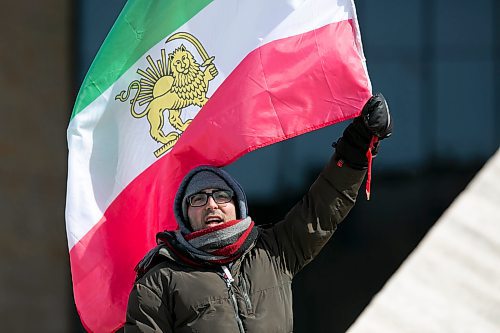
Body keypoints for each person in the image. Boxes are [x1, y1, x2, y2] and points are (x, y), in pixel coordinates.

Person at [124, 94, 393, 332]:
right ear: (185, 217)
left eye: (221, 195)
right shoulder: (160, 280)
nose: (211, 205)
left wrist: (359, 143)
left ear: (238, 206)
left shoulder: (273, 251)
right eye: (198, 199)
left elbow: (322, 210)